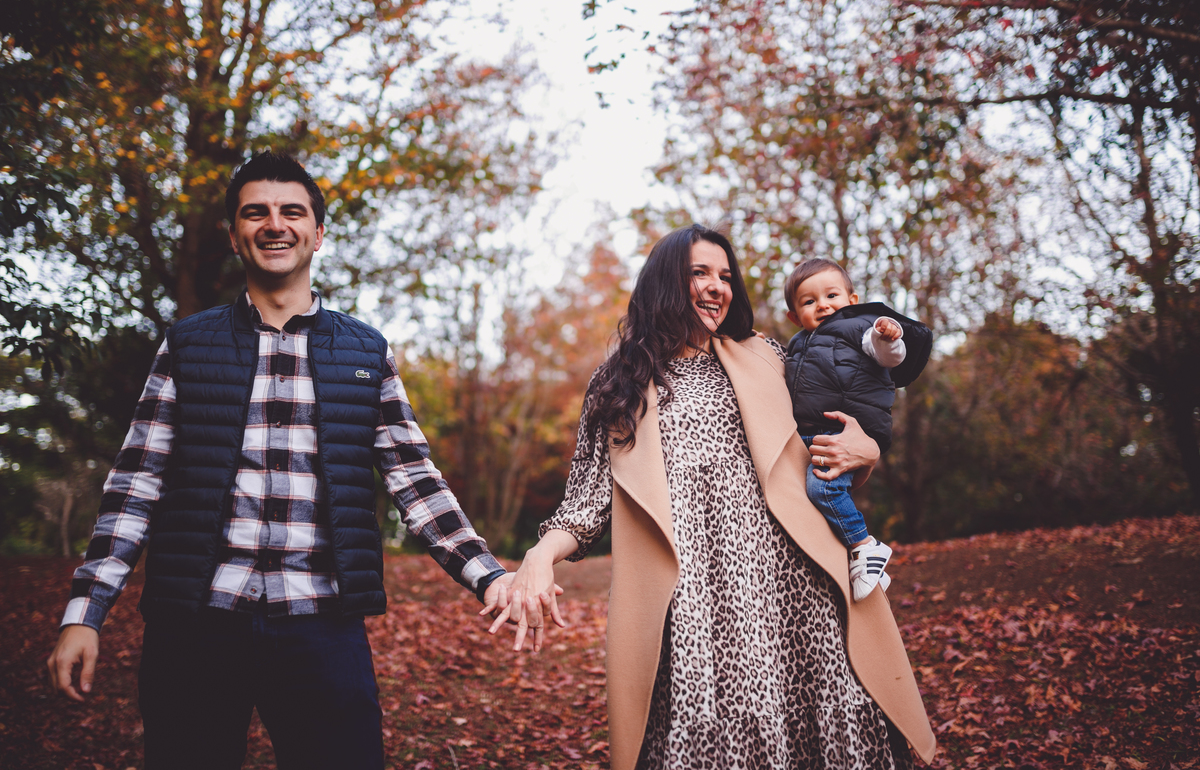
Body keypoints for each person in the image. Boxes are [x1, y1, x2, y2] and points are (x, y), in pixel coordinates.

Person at [45, 151, 514, 770]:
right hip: (195, 627)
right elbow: (136, 483)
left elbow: (414, 480)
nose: (274, 224)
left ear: (317, 234)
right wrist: (85, 615)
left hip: (323, 627)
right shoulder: (187, 345)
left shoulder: (365, 352)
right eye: (256, 212)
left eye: (292, 212)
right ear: (234, 234)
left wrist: (489, 576)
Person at [489, 225, 937, 770]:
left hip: (801, 594)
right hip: (696, 608)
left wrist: (866, 447)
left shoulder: (767, 355)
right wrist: (538, 556)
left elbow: (838, 420)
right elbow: (587, 501)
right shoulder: (619, 383)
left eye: (725, 276)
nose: (716, 286)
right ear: (665, 282)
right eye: (699, 272)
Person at [783, 257, 933, 602]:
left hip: (846, 432)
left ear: (851, 300)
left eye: (831, 295)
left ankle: (865, 546)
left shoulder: (860, 328)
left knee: (823, 490)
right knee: (805, 496)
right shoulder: (798, 344)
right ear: (794, 316)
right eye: (809, 301)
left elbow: (888, 355)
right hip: (812, 434)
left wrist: (887, 336)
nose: (823, 305)